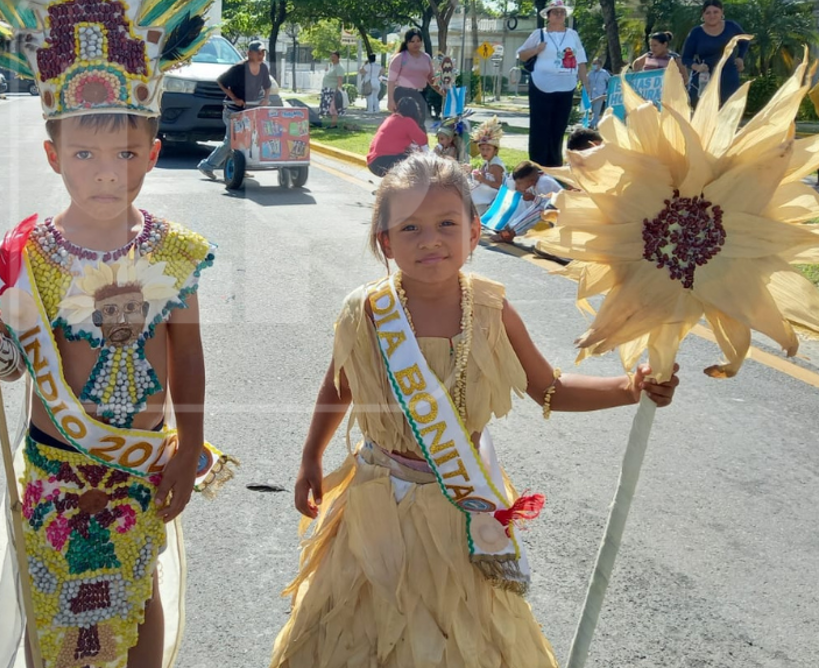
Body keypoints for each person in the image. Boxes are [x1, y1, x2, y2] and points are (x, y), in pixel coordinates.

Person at [0, 0, 235, 668]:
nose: (105, 169)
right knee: (55, 616)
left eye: (123, 151)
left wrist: (190, 447)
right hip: (56, 460)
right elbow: (12, 367)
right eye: (84, 151)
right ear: (53, 154)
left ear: (150, 153)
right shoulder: (21, 252)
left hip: (143, 461)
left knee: (138, 599)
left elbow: (186, 351)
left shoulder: (174, 251)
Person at [269, 153, 679, 668]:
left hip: (462, 506)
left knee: (462, 635)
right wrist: (311, 457)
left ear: (473, 231)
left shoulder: (491, 309)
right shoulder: (366, 311)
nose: (430, 240)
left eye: (447, 224)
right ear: (385, 241)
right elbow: (339, 386)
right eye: (410, 227)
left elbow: (548, 388)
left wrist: (628, 386)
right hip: (376, 502)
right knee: (361, 630)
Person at [517, 0, 589, 168]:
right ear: (548, 15)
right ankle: (536, 165)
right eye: (555, 12)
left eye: (562, 12)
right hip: (541, 85)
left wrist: (586, 84)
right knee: (540, 127)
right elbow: (521, 54)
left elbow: (581, 61)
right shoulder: (539, 34)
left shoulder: (572, 35)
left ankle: (554, 165)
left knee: (558, 128)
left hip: (566, 86)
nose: (559, 15)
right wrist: (536, 49)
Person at [197, 39, 271, 179]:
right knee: (231, 141)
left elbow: (267, 85)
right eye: (258, 52)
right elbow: (221, 81)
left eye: (263, 52)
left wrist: (266, 98)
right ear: (249, 53)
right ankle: (206, 166)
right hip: (233, 110)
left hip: (250, 110)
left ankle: (240, 168)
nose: (261, 55)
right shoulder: (239, 68)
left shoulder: (263, 68)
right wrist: (235, 98)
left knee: (248, 140)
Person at [681, 0, 749, 107]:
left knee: (728, 109)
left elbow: (745, 41)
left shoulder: (731, 26)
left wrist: (740, 57)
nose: (712, 16)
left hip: (728, 75)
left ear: (722, 12)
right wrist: (697, 67)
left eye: (715, 12)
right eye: (708, 13)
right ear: (703, 15)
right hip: (704, 76)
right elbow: (685, 58)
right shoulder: (696, 32)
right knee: (701, 110)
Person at [492, 160, 563, 243]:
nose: (516, 186)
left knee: (539, 211)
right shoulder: (535, 181)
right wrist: (532, 198)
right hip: (554, 208)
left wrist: (533, 198)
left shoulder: (543, 184)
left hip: (563, 211)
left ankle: (512, 232)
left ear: (531, 181)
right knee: (527, 202)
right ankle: (509, 227)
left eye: (519, 183)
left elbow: (547, 205)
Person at [387, 30, 438, 129]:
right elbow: (391, 80)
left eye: (418, 41)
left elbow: (432, 79)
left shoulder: (426, 58)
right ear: (407, 42)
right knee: (403, 125)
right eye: (412, 41)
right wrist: (390, 100)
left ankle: (419, 144)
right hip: (403, 95)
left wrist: (444, 91)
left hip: (420, 94)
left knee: (419, 124)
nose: (416, 44)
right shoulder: (400, 57)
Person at [366, 96, 428, 177]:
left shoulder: (390, 118)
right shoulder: (407, 121)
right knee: (416, 162)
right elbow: (423, 140)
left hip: (373, 162)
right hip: (385, 161)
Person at [468, 115, 506, 213]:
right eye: (482, 149)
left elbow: (500, 186)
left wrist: (483, 179)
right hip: (484, 195)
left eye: (488, 149)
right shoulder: (487, 162)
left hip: (491, 199)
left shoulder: (496, 166)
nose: (484, 152)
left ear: (495, 150)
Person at [319, 50, 348, 127]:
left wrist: (338, 91)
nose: (332, 58)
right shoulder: (332, 66)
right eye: (331, 56)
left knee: (333, 106)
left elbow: (340, 80)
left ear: (338, 58)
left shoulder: (339, 67)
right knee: (328, 107)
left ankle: (333, 124)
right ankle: (329, 122)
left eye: (334, 57)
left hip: (332, 90)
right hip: (327, 89)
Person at [586, 57, 611, 128]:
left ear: (599, 64)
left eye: (595, 63)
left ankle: (591, 126)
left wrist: (606, 92)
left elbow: (610, 82)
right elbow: (586, 82)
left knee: (596, 112)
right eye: (593, 63)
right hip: (591, 95)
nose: (593, 65)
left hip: (599, 96)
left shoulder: (604, 73)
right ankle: (595, 126)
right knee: (591, 111)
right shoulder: (590, 73)